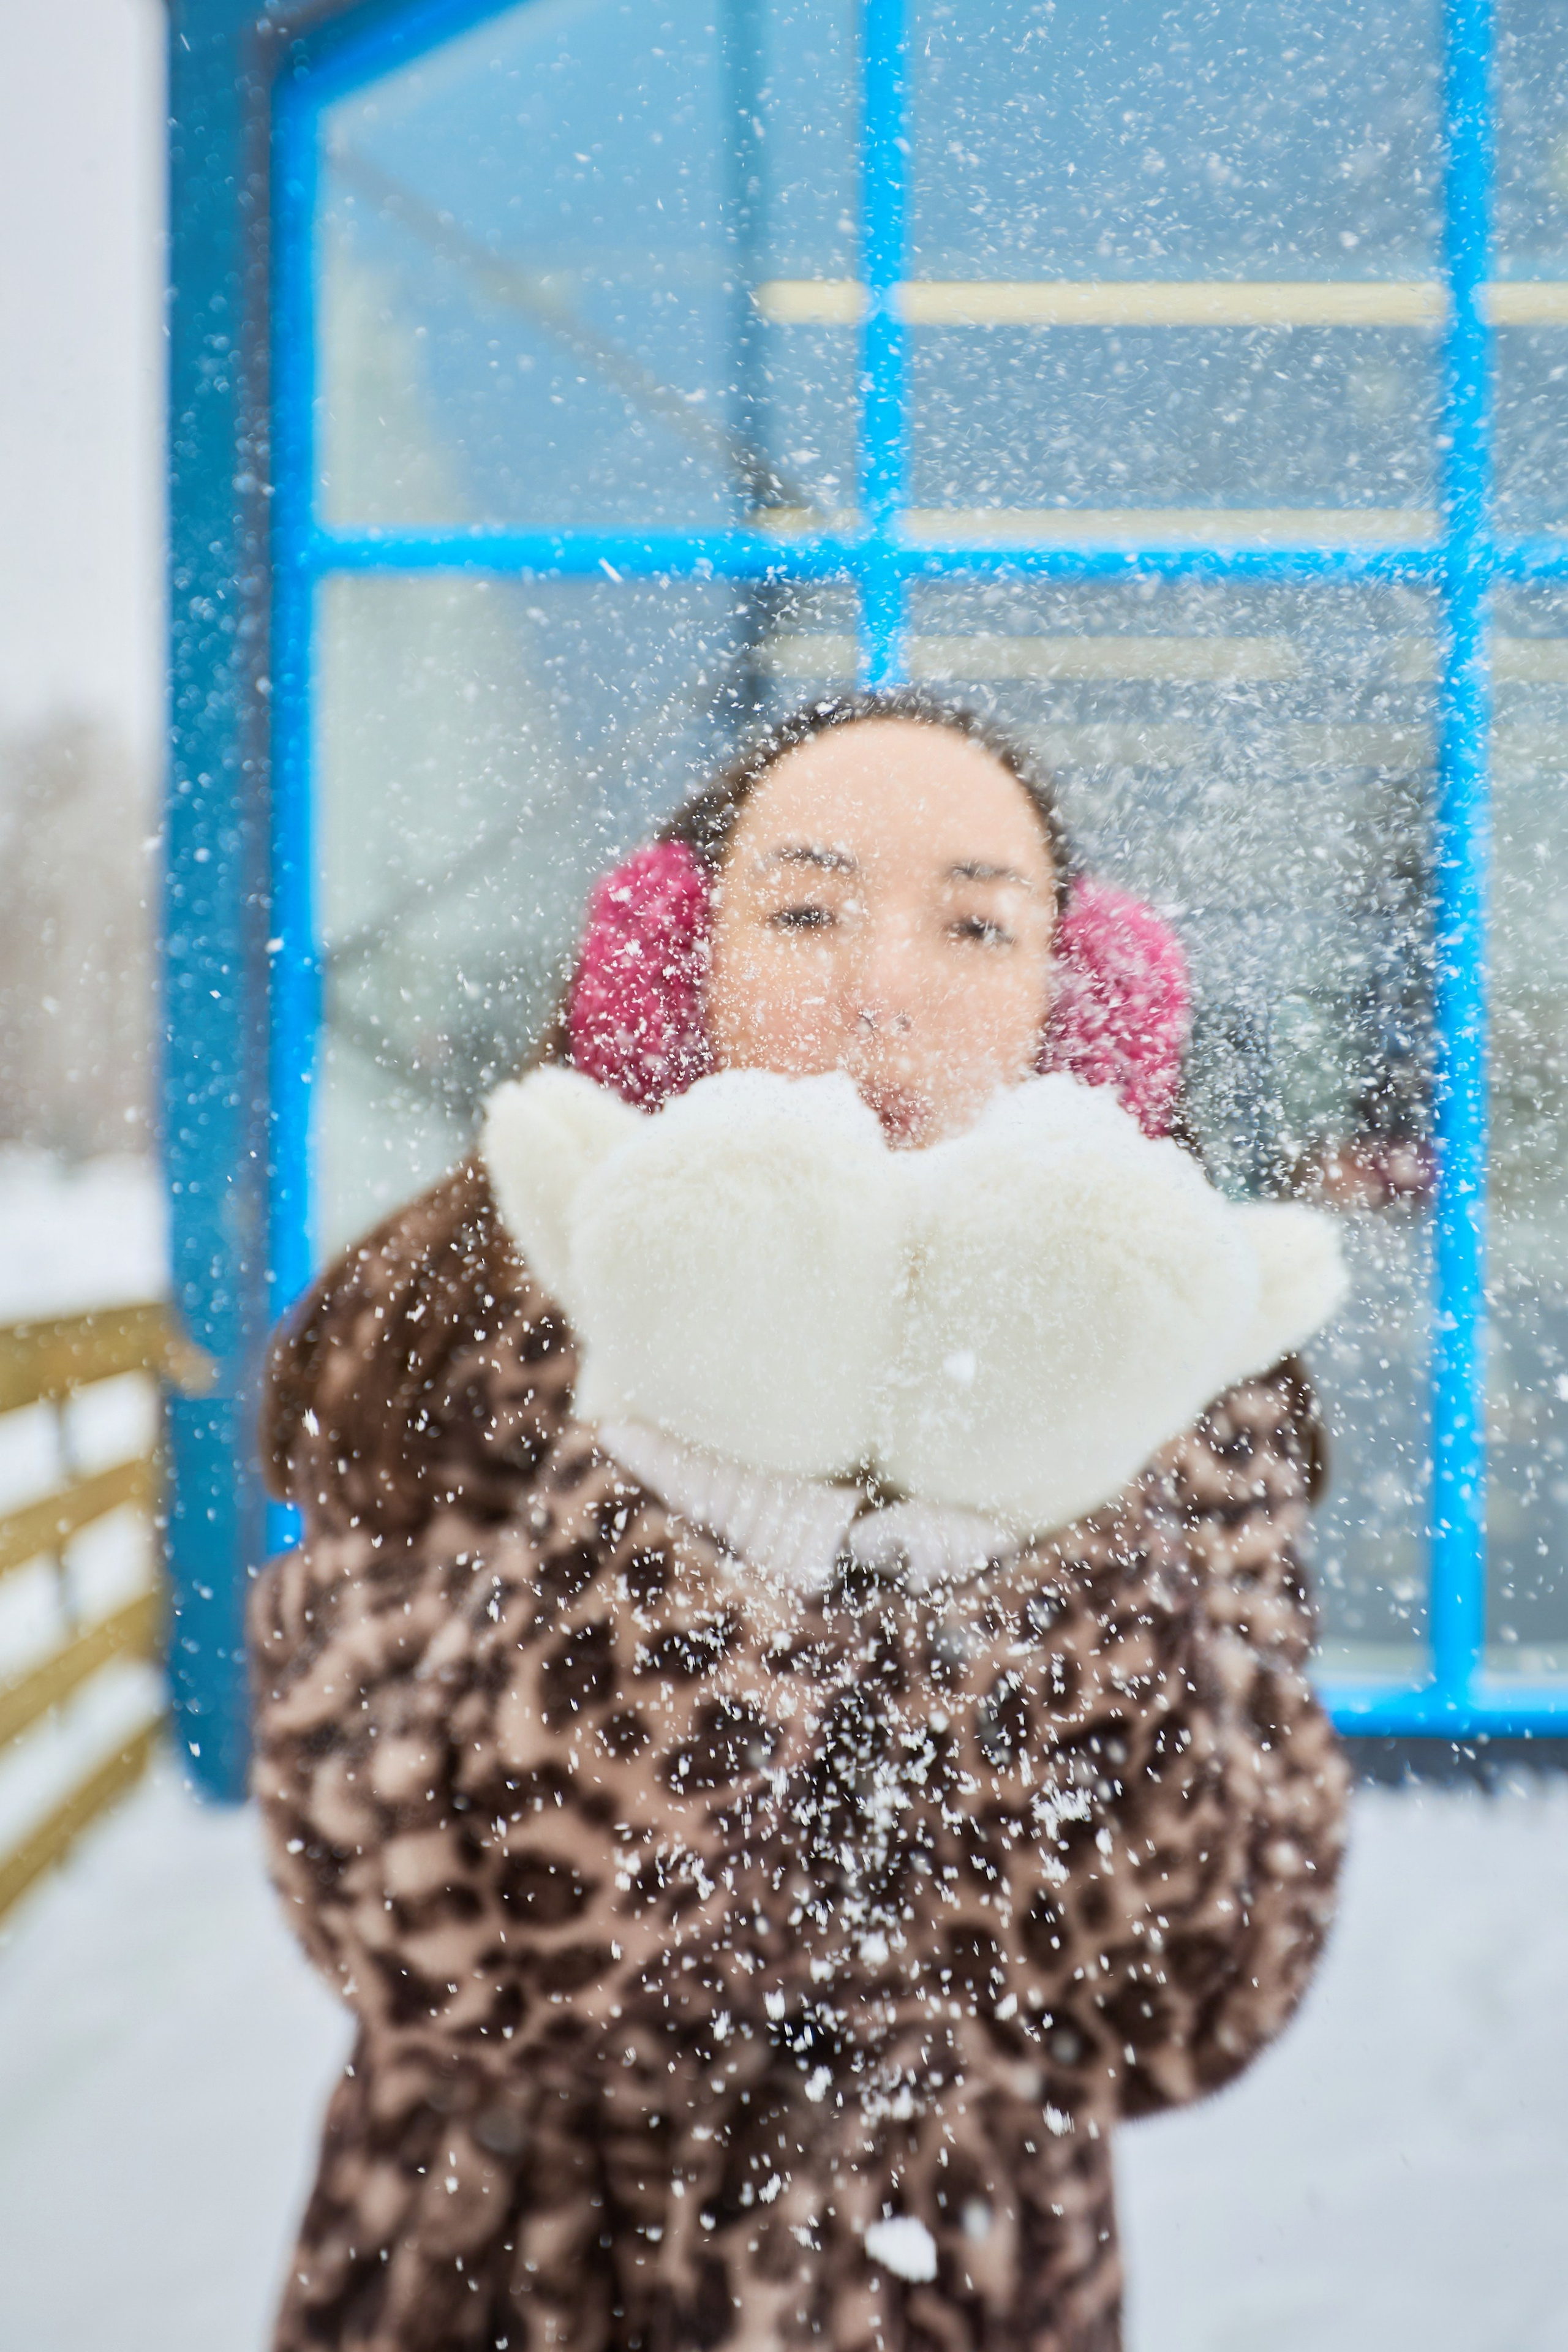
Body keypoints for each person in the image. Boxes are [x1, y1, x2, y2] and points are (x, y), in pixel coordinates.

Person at [254, 690, 1351, 2352]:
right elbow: (414, 1942)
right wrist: (696, 1506)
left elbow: (1194, 2000)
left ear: (1085, 1010)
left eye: (977, 924)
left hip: (960, 2283)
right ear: (664, 968)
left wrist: (1042, 1522)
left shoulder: (1182, 1379)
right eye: (806, 908)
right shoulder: (474, 1316)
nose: (883, 989)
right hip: (499, 2279)